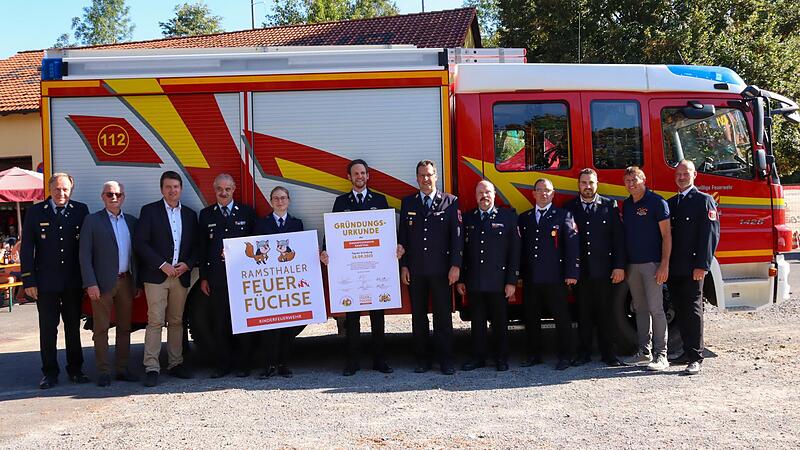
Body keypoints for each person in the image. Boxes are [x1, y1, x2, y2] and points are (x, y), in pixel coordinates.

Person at [320, 159, 398, 376]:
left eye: (363, 173)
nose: (360, 176)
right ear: (349, 177)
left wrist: (397, 247)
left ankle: (379, 360)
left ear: (368, 175)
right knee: (352, 317)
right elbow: (332, 232)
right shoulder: (341, 202)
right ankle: (353, 362)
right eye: (356, 173)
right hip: (350, 270)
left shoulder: (380, 201)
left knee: (377, 315)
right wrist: (325, 251)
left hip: (375, 269)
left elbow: (388, 231)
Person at [20, 172, 90, 389]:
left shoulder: (80, 210)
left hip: (72, 282)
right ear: (49, 189)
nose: (61, 193)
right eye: (57, 189)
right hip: (45, 283)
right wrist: (29, 281)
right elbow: (27, 249)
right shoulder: (35, 211)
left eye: (65, 189)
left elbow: (86, 248)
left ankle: (76, 369)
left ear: (71, 190)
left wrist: (88, 280)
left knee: (72, 327)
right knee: (48, 329)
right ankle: (49, 373)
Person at [398, 160, 463, 375]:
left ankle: (446, 360)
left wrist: (455, 265)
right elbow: (403, 238)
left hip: (441, 271)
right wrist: (404, 266)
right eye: (422, 175)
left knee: (443, 317)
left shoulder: (450, 202)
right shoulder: (408, 203)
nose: (426, 179)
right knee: (419, 317)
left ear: (436, 176)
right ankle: (422, 359)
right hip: (415, 271)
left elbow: (457, 238)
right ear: (416, 178)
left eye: (429, 175)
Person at [135, 171, 199, 387]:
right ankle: (152, 367)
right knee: (155, 321)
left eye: (176, 187)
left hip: (180, 276)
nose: (172, 190)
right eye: (168, 187)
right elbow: (141, 243)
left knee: (177, 321)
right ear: (162, 189)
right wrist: (163, 265)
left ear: (181, 189)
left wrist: (187, 264)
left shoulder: (190, 215)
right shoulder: (150, 211)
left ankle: (175, 363)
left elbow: (196, 246)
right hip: (156, 276)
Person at [79, 181, 139, 387]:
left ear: (124, 197)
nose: (114, 198)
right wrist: (90, 283)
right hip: (102, 284)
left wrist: (136, 282)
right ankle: (103, 371)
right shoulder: (92, 221)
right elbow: (84, 256)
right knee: (101, 329)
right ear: (102, 196)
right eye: (109, 194)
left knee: (124, 328)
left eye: (118, 194)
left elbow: (135, 255)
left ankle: (122, 368)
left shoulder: (131, 221)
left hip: (126, 281)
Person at [564, 168, 626, 367]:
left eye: (591, 183)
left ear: (597, 184)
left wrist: (619, 267)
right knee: (583, 314)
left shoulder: (609, 206)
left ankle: (609, 353)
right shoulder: (569, 207)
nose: (588, 187)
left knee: (606, 314)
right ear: (578, 185)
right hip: (581, 272)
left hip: (605, 271)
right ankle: (584, 353)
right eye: (584, 183)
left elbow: (618, 240)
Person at [456, 180, 519, 372]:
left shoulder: (507, 217)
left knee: (500, 322)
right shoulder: (468, 219)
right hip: (475, 281)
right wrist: (461, 279)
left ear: (494, 194)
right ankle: (478, 357)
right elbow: (463, 252)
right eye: (480, 193)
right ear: (475, 196)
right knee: (477, 323)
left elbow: (514, 252)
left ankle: (501, 358)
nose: (484, 196)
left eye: (488, 192)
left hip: (499, 283)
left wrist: (511, 281)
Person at [198, 174, 257, 378]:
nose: (224, 193)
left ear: (234, 189)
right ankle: (222, 365)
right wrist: (204, 277)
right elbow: (202, 248)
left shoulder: (247, 213)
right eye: (219, 189)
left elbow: (254, 244)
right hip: (217, 278)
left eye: (228, 189)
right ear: (214, 190)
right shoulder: (206, 215)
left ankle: (244, 365)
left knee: (243, 322)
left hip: (242, 278)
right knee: (220, 323)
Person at [517, 178, 579, 370]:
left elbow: (572, 246)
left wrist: (571, 272)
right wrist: (518, 275)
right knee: (531, 317)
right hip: (532, 278)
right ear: (533, 194)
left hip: (555, 277)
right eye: (540, 190)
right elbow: (520, 249)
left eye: (548, 190)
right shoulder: (525, 218)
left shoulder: (563, 216)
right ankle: (534, 354)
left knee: (561, 318)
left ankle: (566, 356)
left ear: (553, 194)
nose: (544, 193)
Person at [667, 160, 720, 375]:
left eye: (685, 173)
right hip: (674, 268)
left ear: (694, 175)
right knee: (680, 311)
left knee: (694, 311)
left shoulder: (704, 201)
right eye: (678, 174)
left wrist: (702, 265)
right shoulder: (671, 203)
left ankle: (696, 357)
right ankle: (686, 352)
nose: (681, 177)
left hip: (692, 268)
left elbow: (710, 236)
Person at [620, 166, 672, 372]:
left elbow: (667, 235)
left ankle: (662, 355)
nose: (631, 184)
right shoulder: (627, 204)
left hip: (653, 265)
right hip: (633, 265)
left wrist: (664, 264)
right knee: (640, 309)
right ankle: (644, 352)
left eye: (635, 180)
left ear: (644, 179)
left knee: (656, 309)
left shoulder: (657, 203)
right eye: (627, 181)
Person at [253, 186, 305, 379]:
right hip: (269, 283)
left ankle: (284, 364)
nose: (280, 201)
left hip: (288, 283)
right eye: (276, 198)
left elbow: (300, 251)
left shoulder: (297, 224)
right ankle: (268, 365)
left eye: (283, 198)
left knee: (288, 326)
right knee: (269, 327)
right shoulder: (261, 224)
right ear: (271, 201)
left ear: (288, 200)